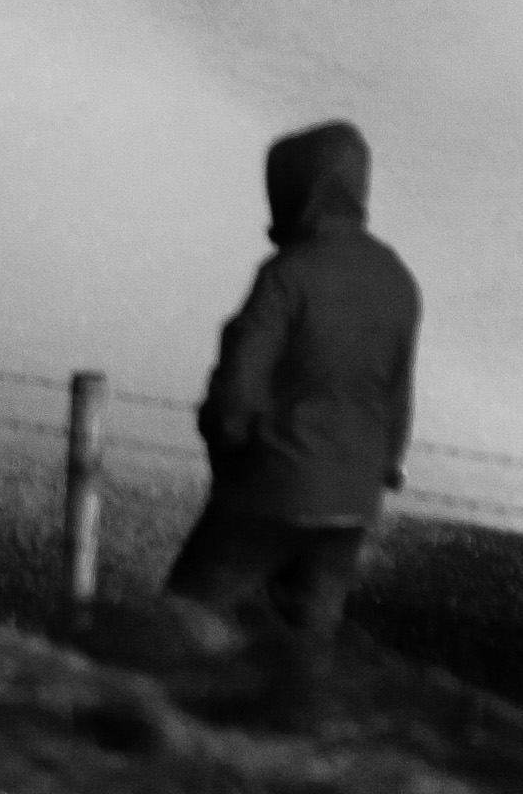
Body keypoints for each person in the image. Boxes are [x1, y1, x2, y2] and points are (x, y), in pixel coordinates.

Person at [164, 118, 421, 705]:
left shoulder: (288, 275)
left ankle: (164, 725)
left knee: (184, 615)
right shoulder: (396, 279)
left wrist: (227, 437)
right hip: (351, 501)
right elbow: (397, 391)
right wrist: (386, 464)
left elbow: (239, 385)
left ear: (301, 189)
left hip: (272, 486)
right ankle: (291, 736)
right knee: (305, 649)